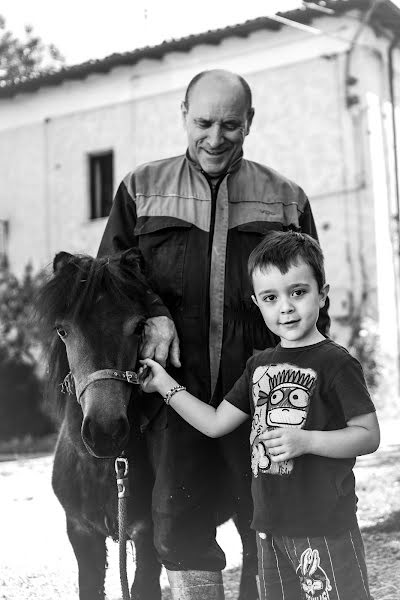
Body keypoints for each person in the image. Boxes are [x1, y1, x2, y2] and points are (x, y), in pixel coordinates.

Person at [98, 69, 330, 599]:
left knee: (270, 524)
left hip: (266, 398)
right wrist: (154, 312)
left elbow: (316, 298)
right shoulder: (141, 188)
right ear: (183, 114)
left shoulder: (286, 198)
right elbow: (110, 283)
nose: (215, 137)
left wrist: (316, 387)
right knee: (178, 527)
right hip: (173, 398)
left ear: (249, 122)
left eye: (230, 124)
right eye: (203, 122)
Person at [140, 230, 380, 600]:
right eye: (271, 298)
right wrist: (164, 385)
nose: (285, 307)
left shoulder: (336, 363)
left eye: (297, 292)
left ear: (322, 293)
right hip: (268, 529)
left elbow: (368, 434)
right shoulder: (258, 366)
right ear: (257, 303)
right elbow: (215, 422)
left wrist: (308, 440)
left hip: (324, 526)